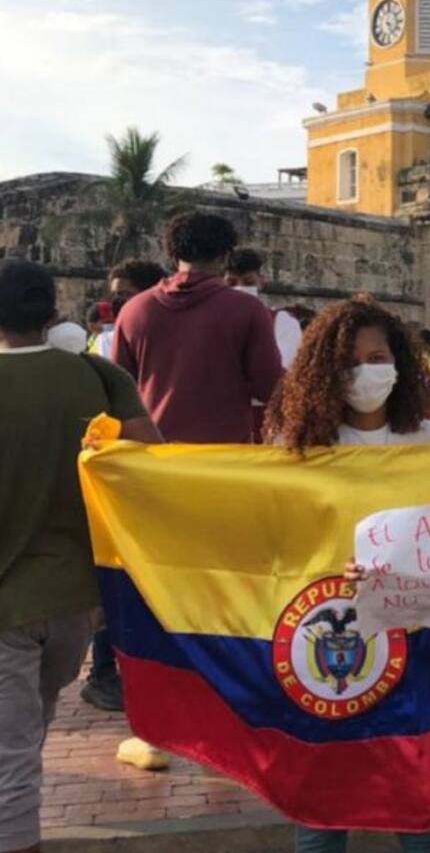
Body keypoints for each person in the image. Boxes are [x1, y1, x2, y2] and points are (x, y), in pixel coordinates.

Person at [263, 295, 430, 853]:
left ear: (400, 363)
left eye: (378, 356)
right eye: (352, 360)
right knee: (323, 804)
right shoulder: (297, 450)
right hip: (324, 637)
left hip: (411, 640)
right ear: (326, 370)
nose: (368, 371)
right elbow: (277, 539)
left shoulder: (427, 443)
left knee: (421, 802)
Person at [0, 260, 161, 853]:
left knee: (12, 758)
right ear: (51, 313)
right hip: (76, 604)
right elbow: (154, 463)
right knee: (25, 738)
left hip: (6, 606)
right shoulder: (98, 376)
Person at [113, 212, 284, 443]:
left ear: (173, 257)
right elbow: (268, 386)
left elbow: (118, 391)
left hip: (154, 455)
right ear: (225, 257)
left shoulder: (133, 310)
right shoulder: (247, 308)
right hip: (222, 456)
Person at [224, 248, 305, 370]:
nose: (240, 288)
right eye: (232, 283)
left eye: (248, 282)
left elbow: (281, 370)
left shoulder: (282, 322)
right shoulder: (211, 320)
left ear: (261, 282)